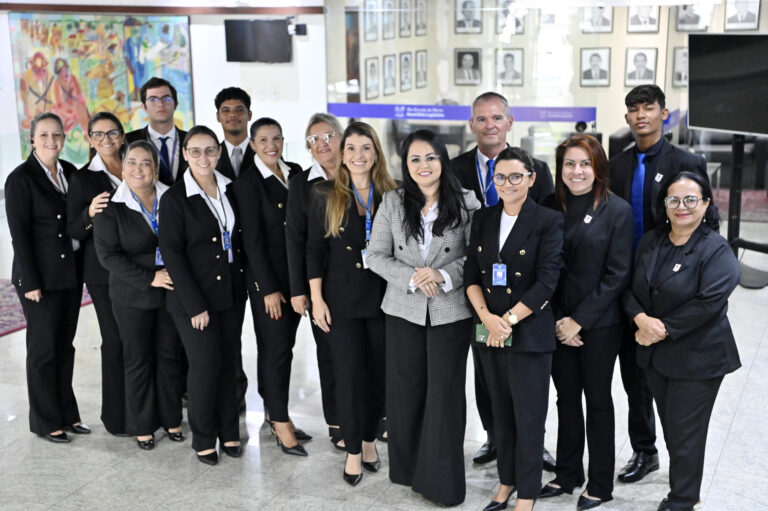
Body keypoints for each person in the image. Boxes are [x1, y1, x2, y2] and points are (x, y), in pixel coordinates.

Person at [367, 129, 480, 505]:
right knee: (406, 391)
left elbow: (477, 255)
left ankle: (443, 481)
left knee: (445, 394)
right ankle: (409, 470)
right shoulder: (393, 202)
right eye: (414, 159)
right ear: (406, 164)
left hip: (451, 311)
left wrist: (445, 275)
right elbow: (375, 255)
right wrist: (415, 278)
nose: (422, 165)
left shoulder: (466, 202)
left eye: (430, 157)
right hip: (404, 308)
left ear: (442, 159)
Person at [624, 171, 741, 511]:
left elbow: (709, 302)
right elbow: (630, 289)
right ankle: (684, 487)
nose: (682, 206)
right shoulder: (651, 241)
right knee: (674, 428)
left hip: (698, 358)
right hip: (656, 355)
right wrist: (640, 319)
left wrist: (661, 328)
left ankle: (683, 499)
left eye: (691, 199)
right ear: (664, 204)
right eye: (674, 199)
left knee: (685, 432)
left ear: (706, 203)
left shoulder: (715, 249)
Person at [450, 91, 555, 469]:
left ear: (510, 122)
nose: (489, 125)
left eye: (497, 118)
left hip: (526, 298)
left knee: (528, 381)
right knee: (486, 371)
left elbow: (546, 229)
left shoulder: (537, 169)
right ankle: (495, 437)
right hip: (480, 293)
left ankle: (532, 444)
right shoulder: (455, 168)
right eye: (481, 119)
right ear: (471, 124)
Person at [609, 84, 708, 484]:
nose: (640, 115)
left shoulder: (686, 160)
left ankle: (682, 467)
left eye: (648, 108)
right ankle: (644, 450)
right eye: (633, 109)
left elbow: (705, 220)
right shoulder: (616, 164)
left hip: (666, 283)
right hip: (621, 282)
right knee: (633, 375)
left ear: (663, 114)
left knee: (663, 375)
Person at [464, 146, 563, 511]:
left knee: (529, 416)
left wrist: (507, 321)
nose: (507, 183)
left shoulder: (548, 220)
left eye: (516, 176)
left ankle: (528, 491)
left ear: (531, 178)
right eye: (501, 176)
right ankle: (505, 481)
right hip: (487, 330)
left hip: (527, 331)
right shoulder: (484, 218)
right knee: (499, 413)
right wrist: (487, 318)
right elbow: (471, 275)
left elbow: (547, 281)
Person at [538, 135, 633, 510]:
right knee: (565, 399)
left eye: (585, 164)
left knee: (597, 400)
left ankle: (600, 483)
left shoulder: (617, 210)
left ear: (598, 169)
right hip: (556, 320)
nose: (576, 172)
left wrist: (579, 321)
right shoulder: (547, 205)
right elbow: (542, 270)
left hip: (599, 324)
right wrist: (560, 319)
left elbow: (618, 274)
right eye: (569, 164)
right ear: (559, 169)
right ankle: (567, 473)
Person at [307, 122, 398, 486]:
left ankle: (370, 438)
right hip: (340, 300)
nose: (358, 156)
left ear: (376, 153)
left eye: (365, 148)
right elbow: (314, 250)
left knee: (378, 374)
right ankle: (353, 452)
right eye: (351, 149)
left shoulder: (393, 193)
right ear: (342, 155)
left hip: (384, 298)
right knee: (347, 376)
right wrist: (316, 299)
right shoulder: (324, 193)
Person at [158, 125, 246, 465]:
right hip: (193, 302)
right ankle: (204, 437)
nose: (203, 157)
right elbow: (173, 254)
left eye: (210, 150)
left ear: (219, 152)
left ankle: (230, 430)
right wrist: (195, 305)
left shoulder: (230, 189)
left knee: (228, 364)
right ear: (184, 154)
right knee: (205, 367)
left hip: (230, 295)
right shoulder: (175, 198)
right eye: (195, 151)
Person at [93, 140, 185, 450]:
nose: (137, 169)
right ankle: (143, 425)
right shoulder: (110, 205)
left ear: (156, 168)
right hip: (132, 296)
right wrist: (151, 277)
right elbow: (109, 257)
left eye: (145, 163)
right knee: (138, 360)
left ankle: (172, 419)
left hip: (172, 294)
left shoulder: (172, 197)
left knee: (170, 357)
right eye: (131, 162)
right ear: (123, 166)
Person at [5, 112, 88, 443]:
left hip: (68, 275)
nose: (52, 141)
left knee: (64, 346)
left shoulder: (68, 172)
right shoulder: (20, 179)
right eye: (44, 135)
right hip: (38, 279)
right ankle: (45, 420)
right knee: (43, 350)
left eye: (57, 135)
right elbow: (20, 236)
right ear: (32, 139)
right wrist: (32, 282)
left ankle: (67, 415)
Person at [235, 117, 308, 456]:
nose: (270, 145)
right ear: (252, 144)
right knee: (276, 349)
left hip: (299, 279)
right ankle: (279, 420)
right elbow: (252, 240)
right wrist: (267, 289)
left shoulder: (294, 171)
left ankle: (273, 413)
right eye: (262, 139)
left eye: (276, 138)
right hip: (271, 284)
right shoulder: (248, 183)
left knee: (284, 348)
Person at [286, 113, 345, 450]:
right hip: (320, 282)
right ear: (308, 147)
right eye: (314, 139)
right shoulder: (301, 184)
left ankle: (374, 416)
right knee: (330, 353)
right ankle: (336, 422)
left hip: (362, 279)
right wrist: (300, 290)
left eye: (329, 135)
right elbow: (295, 238)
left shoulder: (358, 173)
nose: (323, 143)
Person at [66, 111, 126, 436]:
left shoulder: (135, 166)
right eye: (99, 135)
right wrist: (89, 212)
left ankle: (146, 408)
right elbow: (73, 229)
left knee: (140, 340)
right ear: (90, 139)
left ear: (121, 134)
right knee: (115, 341)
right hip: (103, 273)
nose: (106, 140)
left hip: (141, 268)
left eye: (112, 133)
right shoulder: (83, 178)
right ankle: (117, 417)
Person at [125, 77, 187, 186]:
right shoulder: (127, 141)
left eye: (166, 98)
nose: (160, 104)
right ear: (144, 107)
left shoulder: (191, 140)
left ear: (176, 104)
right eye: (153, 99)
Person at [214, 87, 254, 180]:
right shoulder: (211, 156)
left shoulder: (264, 152)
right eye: (226, 110)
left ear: (250, 115)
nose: (233, 115)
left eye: (239, 110)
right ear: (218, 117)